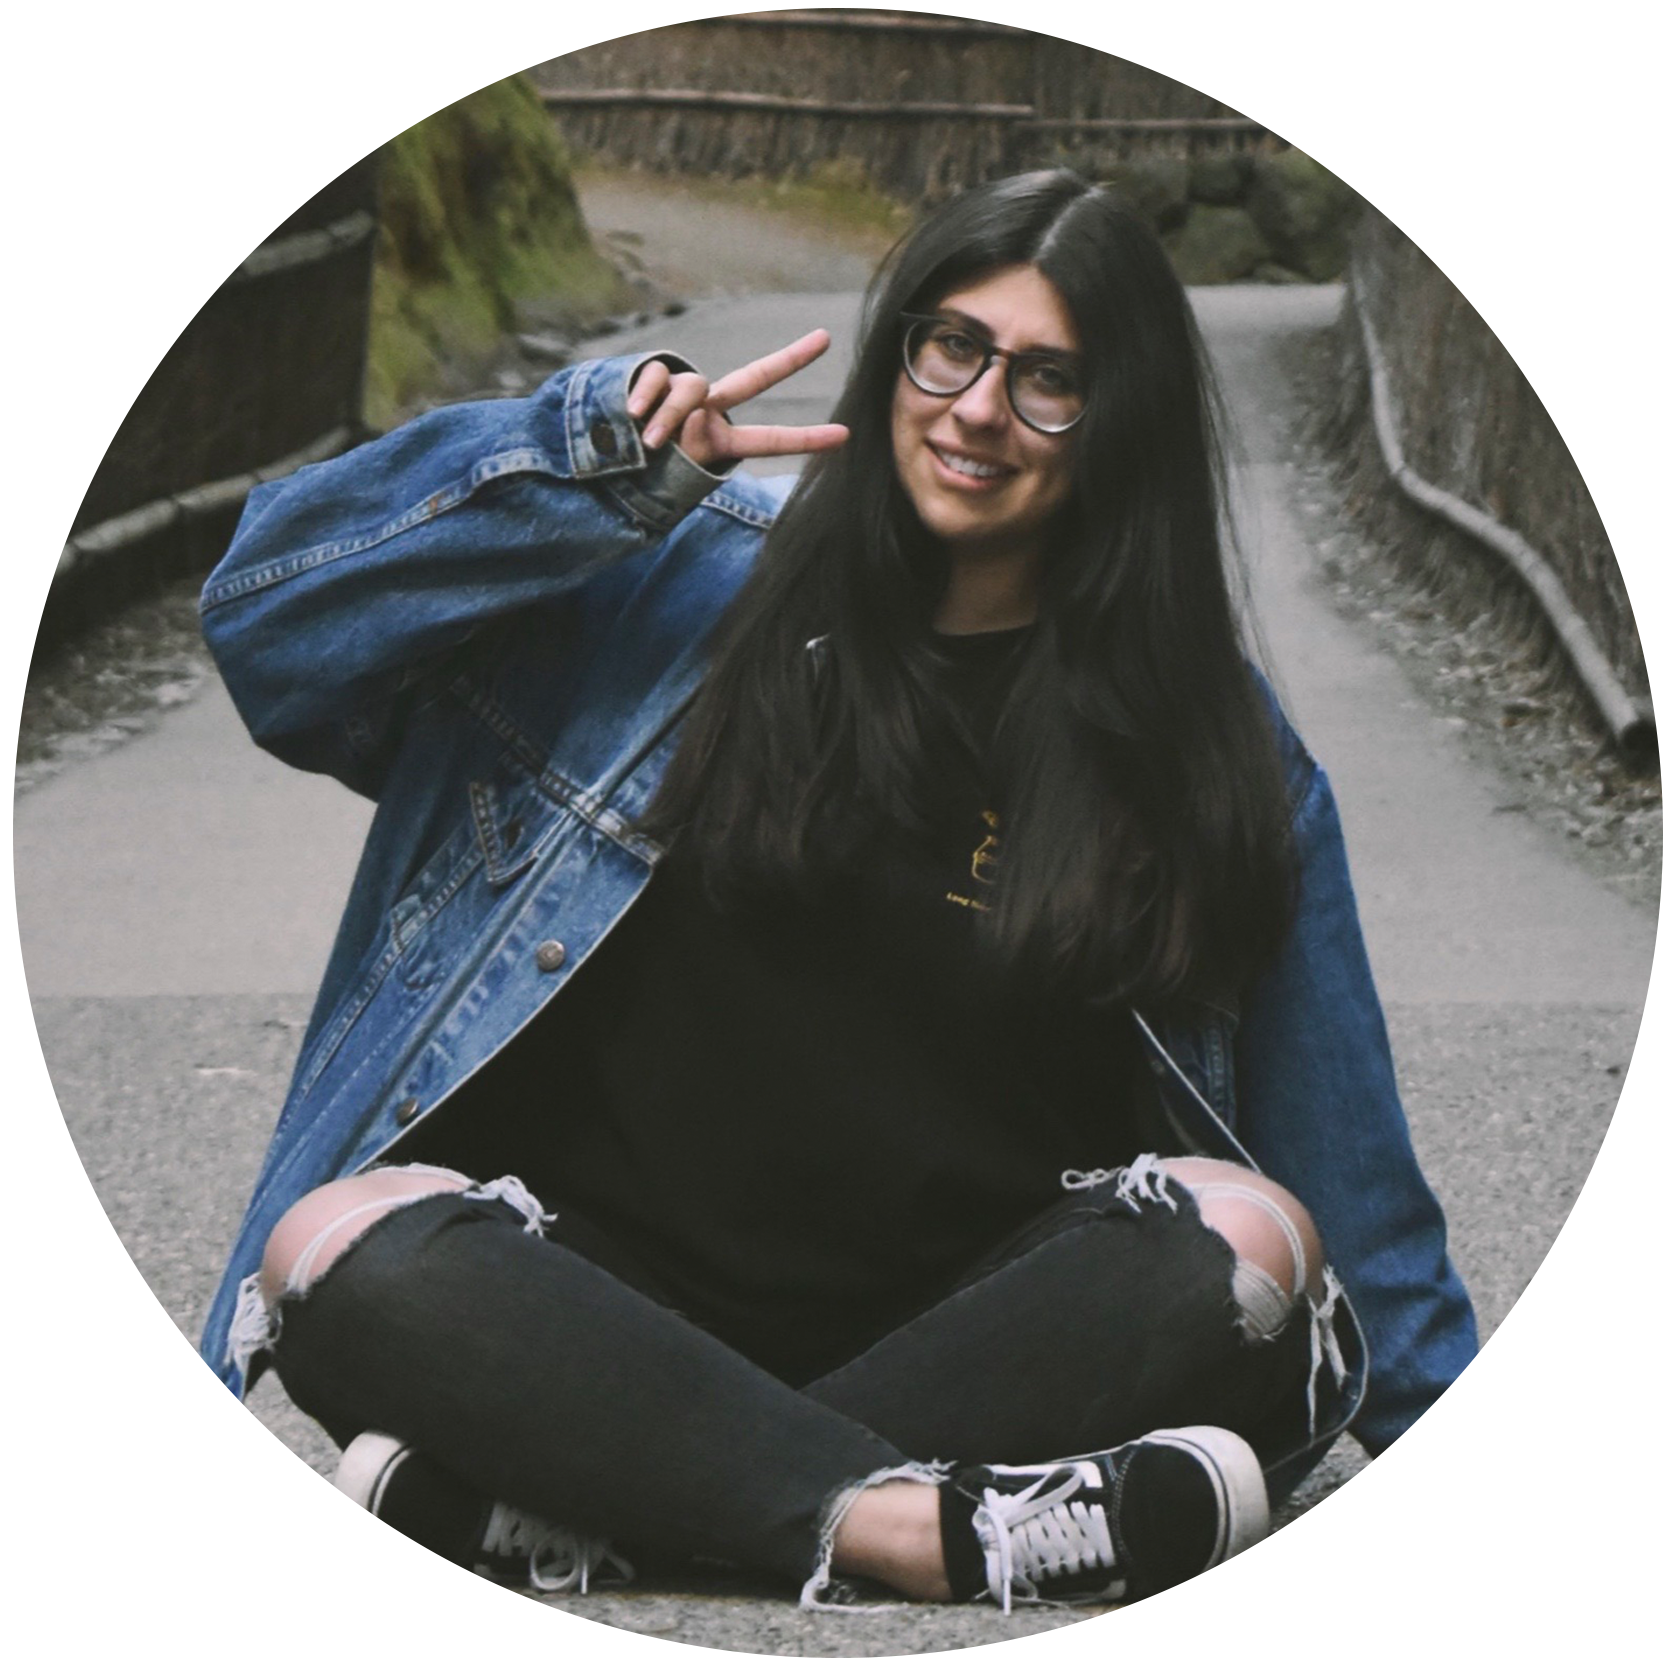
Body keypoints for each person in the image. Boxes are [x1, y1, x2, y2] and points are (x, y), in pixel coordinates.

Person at [189, 169, 1661, 1612]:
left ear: (1118, 427)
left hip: (989, 1335)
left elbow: (1353, 1192)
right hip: (597, 1299)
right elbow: (274, 624)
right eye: (949, 345)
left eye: (1046, 380)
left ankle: (602, 1496)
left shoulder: (1210, 754)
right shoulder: (660, 586)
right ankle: (918, 1526)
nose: (973, 409)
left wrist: (1563, 1478)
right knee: (332, 1246)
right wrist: (578, 466)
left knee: (1252, 1240)